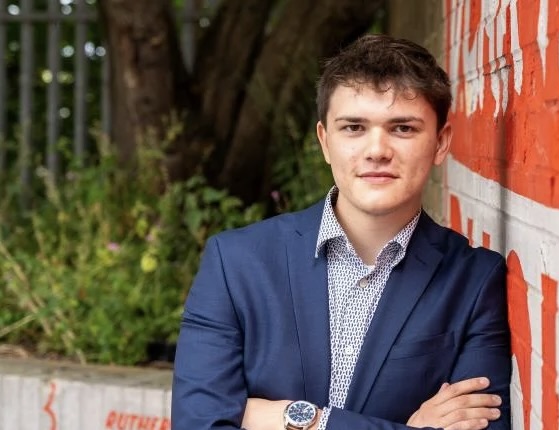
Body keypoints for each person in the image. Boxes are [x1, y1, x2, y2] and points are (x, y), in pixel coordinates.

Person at [171, 34, 511, 430]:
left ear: (440, 143)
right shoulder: (235, 263)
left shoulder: (474, 281)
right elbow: (199, 423)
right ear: (325, 141)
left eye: (402, 128)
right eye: (353, 127)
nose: (376, 150)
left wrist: (300, 420)